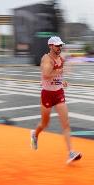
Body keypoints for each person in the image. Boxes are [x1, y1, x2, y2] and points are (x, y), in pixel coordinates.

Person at [30, 36, 82, 164]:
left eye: (60, 45)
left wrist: (62, 81)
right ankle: (35, 134)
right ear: (50, 46)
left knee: (66, 124)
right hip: (47, 94)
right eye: (57, 45)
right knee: (44, 124)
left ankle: (71, 152)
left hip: (58, 93)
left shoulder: (61, 59)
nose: (59, 48)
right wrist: (61, 71)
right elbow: (46, 75)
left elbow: (58, 75)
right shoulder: (46, 59)